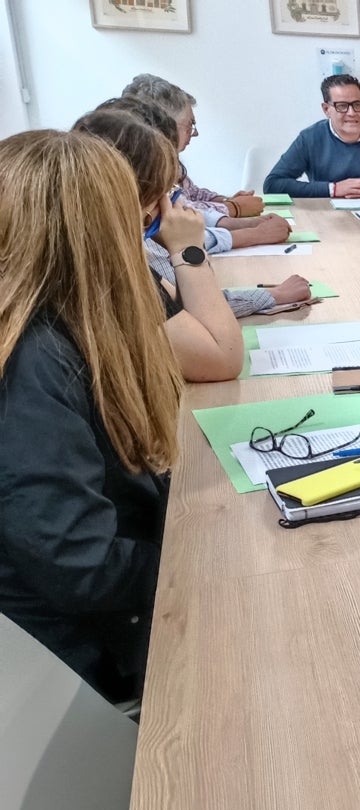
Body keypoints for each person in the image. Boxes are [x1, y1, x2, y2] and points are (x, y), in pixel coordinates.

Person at [0, 129, 182, 702]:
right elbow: (82, 565)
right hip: (93, 661)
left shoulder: (55, 330)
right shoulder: (32, 360)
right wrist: (201, 563)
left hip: (102, 612)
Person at [88, 98, 313, 319]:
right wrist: (189, 249)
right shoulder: (134, 249)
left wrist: (229, 208)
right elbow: (203, 319)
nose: (180, 205)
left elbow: (193, 195)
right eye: (167, 192)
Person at [73, 108, 244, 382]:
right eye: (164, 191)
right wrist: (189, 249)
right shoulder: (106, 275)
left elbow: (188, 311)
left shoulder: (103, 258)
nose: (173, 202)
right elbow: (223, 359)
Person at [121, 74, 290, 250]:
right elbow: (181, 232)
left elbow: (191, 195)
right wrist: (237, 213)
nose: (195, 133)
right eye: (190, 125)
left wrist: (229, 205)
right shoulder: (139, 170)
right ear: (163, 126)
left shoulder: (168, 163)